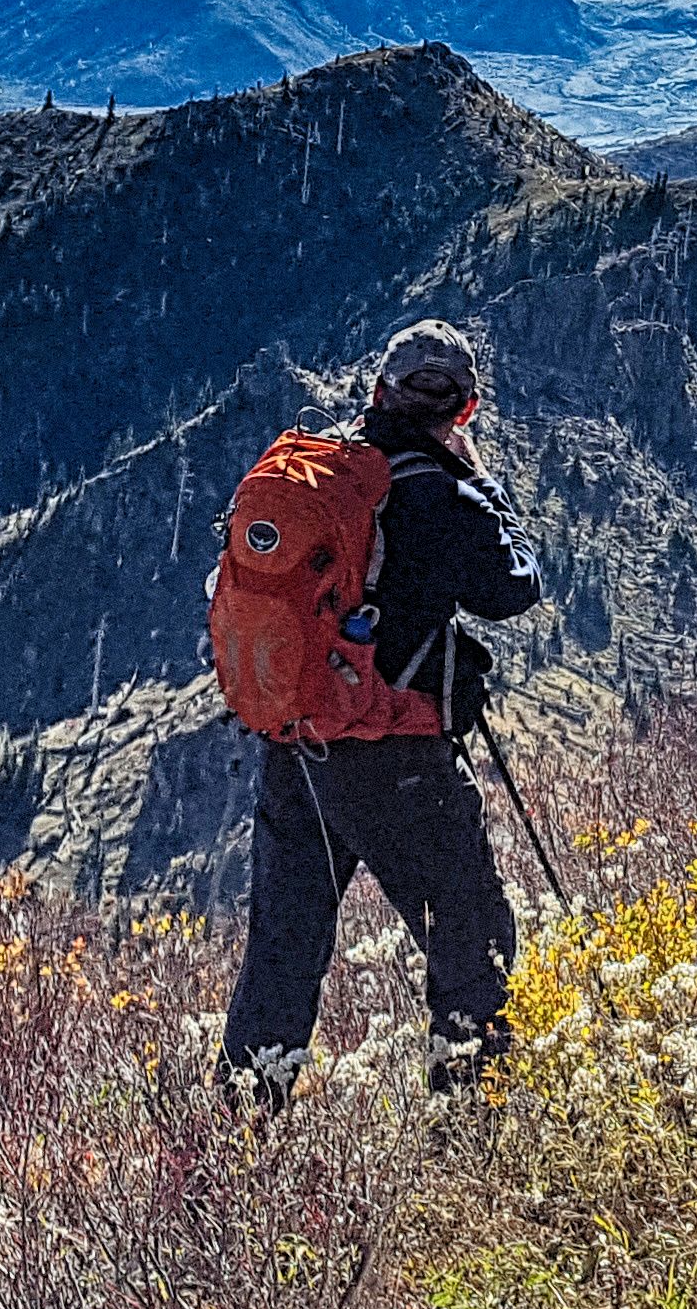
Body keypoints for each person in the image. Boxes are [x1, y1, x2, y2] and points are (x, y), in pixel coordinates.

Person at [219, 318, 543, 1098]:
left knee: (284, 948)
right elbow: (514, 587)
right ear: (464, 411)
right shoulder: (440, 491)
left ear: (377, 392)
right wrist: (486, 488)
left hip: (296, 744)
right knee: (472, 941)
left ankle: (239, 1131)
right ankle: (474, 1132)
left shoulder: (324, 470)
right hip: (391, 755)